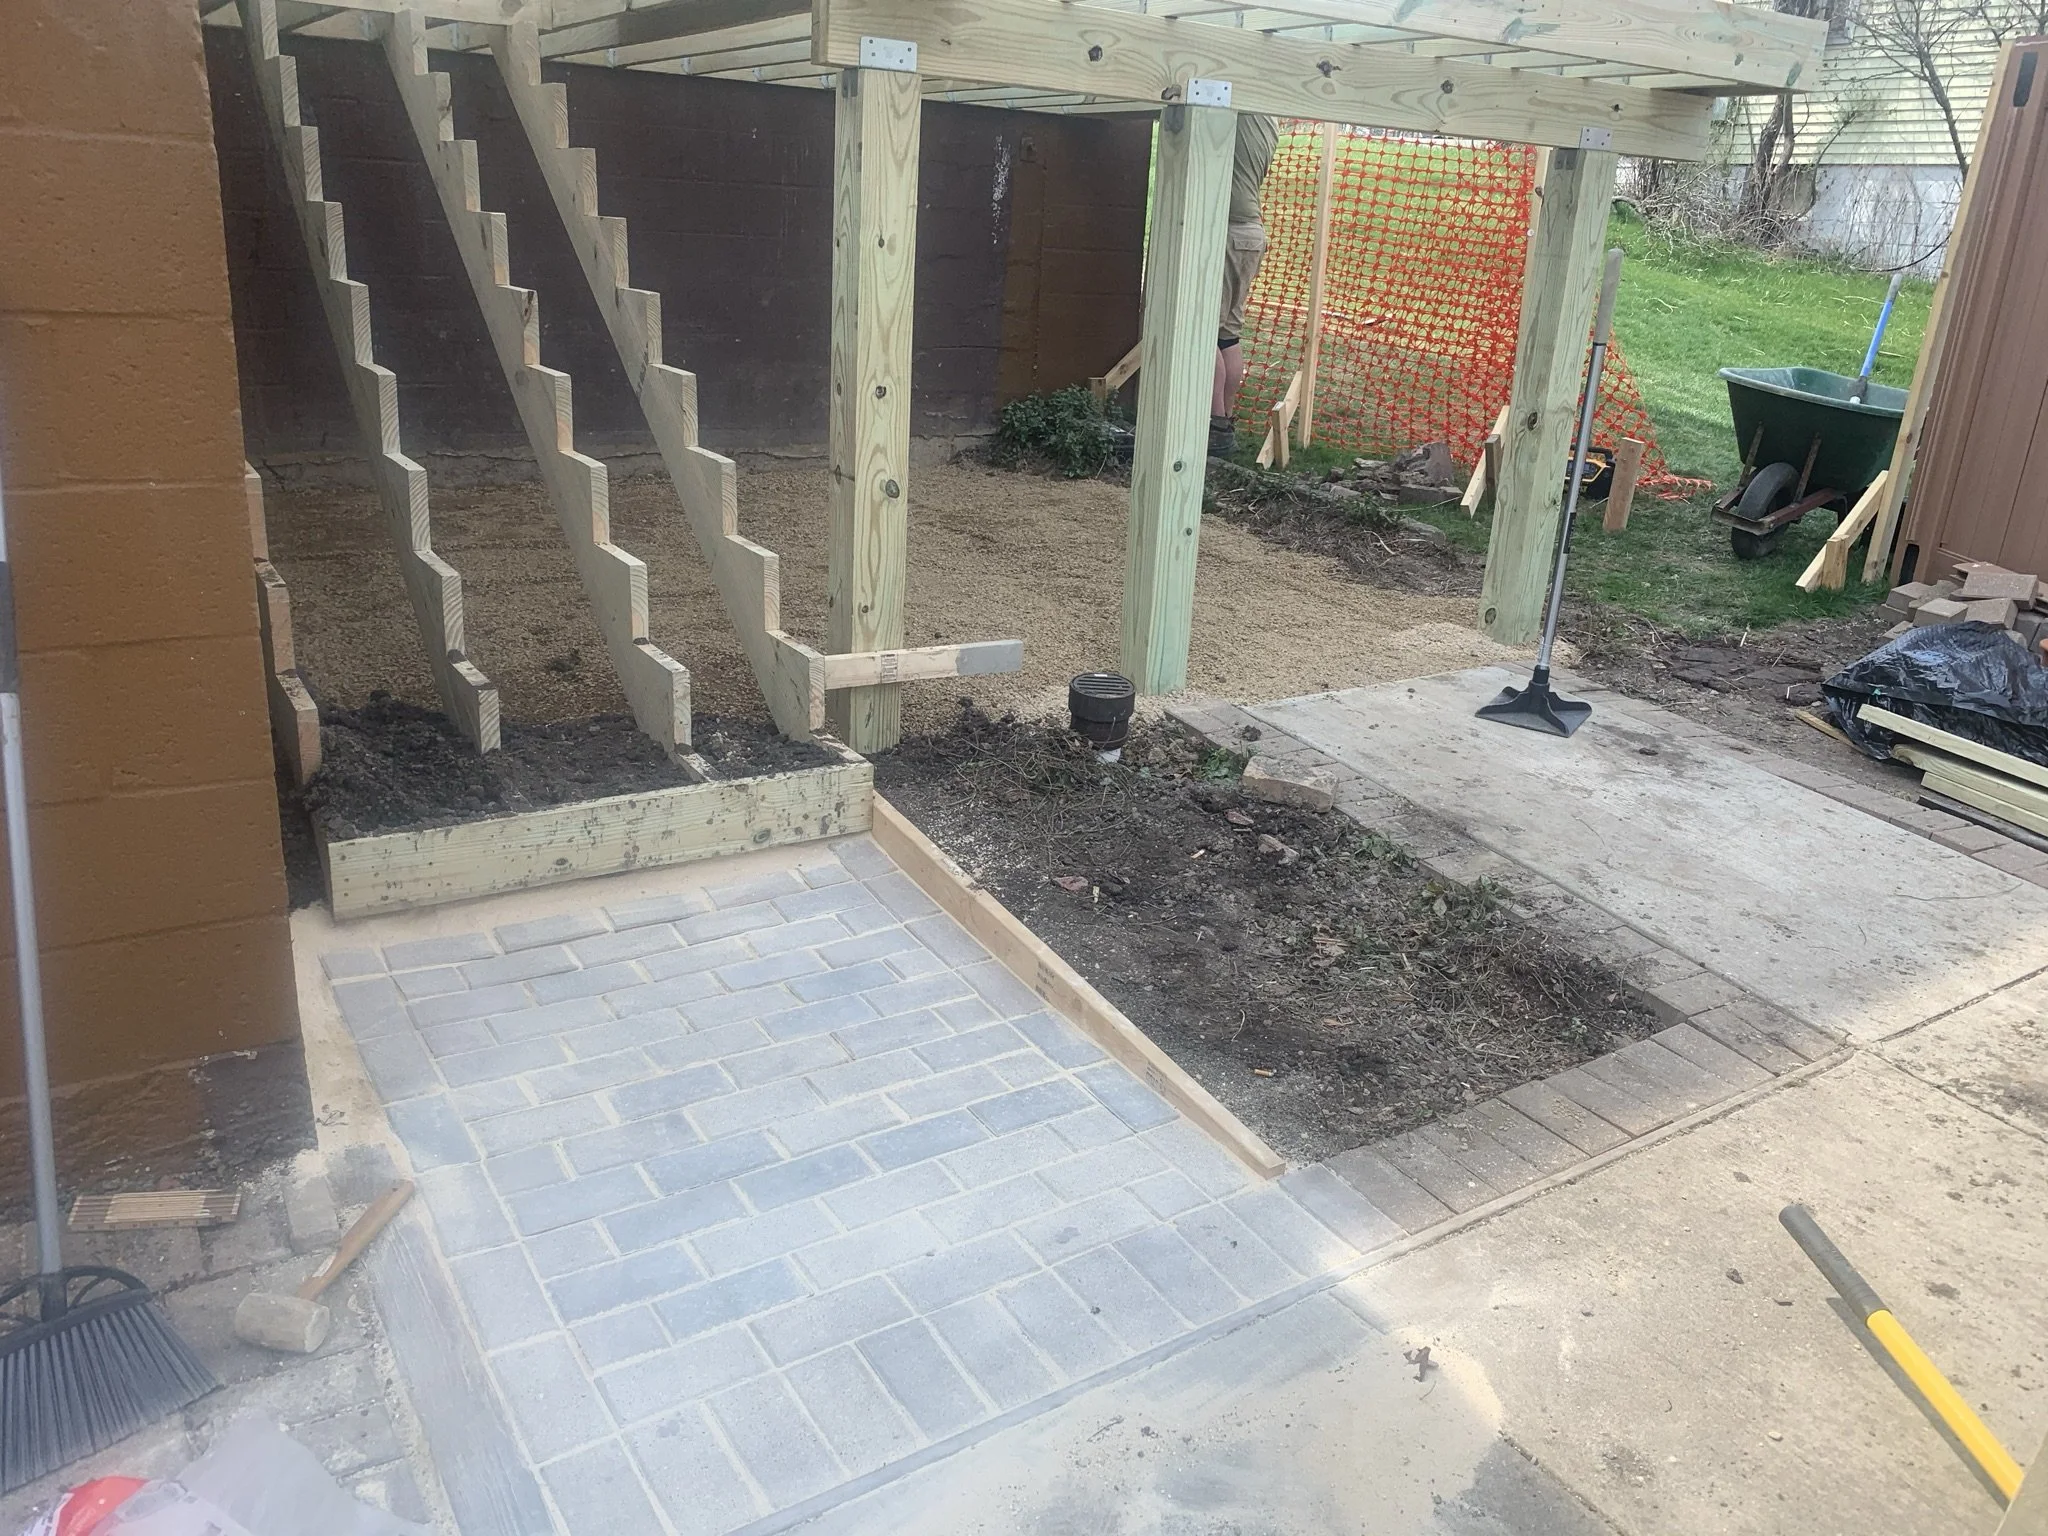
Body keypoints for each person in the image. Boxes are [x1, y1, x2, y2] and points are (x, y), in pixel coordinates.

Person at [1211, 112, 1279, 460]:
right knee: (1227, 334)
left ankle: (1212, 427)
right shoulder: (1269, 120)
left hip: (1226, 228)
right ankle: (1225, 424)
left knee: (1202, 334)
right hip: (1251, 232)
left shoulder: (1236, 105)